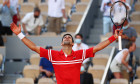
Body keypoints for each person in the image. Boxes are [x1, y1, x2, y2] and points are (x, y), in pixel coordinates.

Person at [10, 22, 123, 84]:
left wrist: (114, 37)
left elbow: (97, 48)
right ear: (62, 44)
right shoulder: (53, 55)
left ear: (73, 44)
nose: (67, 37)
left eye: (69, 37)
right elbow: (34, 47)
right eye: (65, 37)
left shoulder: (79, 55)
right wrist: (20, 34)